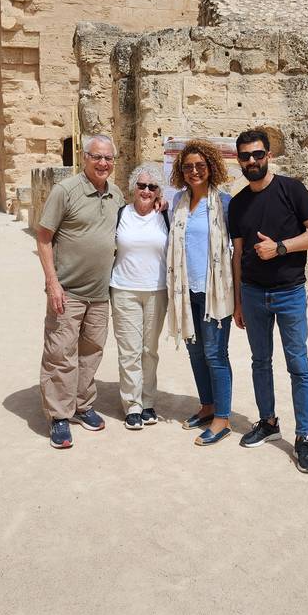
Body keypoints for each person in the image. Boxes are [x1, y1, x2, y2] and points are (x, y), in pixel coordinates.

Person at [228, 128, 308, 473]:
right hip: (254, 294)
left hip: (289, 293)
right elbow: (237, 256)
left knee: (298, 365)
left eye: (257, 154)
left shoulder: (291, 190)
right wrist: (238, 301)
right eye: (245, 156)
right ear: (239, 160)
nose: (252, 161)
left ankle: (303, 438)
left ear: (268, 155)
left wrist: (281, 247)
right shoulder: (238, 203)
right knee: (260, 362)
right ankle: (268, 422)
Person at [37, 134, 125, 449]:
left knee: (91, 352)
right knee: (60, 354)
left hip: (100, 293)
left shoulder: (116, 194)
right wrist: (52, 283)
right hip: (68, 291)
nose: (103, 163)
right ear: (84, 157)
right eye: (96, 157)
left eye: (108, 158)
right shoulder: (66, 191)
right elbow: (44, 236)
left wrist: (158, 202)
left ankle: (82, 405)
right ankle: (59, 416)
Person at [167, 139, 234, 447]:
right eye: (188, 166)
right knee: (196, 352)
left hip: (214, 292)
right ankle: (207, 406)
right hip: (186, 291)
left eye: (200, 166)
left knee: (215, 354)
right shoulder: (177, 203)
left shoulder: (224, 203)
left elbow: (238, 248)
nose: (194, 171)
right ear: (181, 170)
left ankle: (222, 418)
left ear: (211, 168)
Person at [110, 163, 169, 431]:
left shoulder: (165, 215)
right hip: (124, 289)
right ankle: (132, 405)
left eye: (152, 187)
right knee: (129, 351)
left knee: (149, 351)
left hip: (157, 290)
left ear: (158, 192)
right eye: (141, 185)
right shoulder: (121, 213)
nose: (146, 190)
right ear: (134, 187)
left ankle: (147, 402)